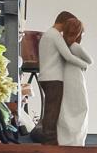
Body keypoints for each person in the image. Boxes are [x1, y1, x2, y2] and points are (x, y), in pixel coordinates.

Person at [36, 11, 93, 145]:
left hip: (47, 76)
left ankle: (52, 138)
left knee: (53, 109)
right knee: (53, 111)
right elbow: (67, 56)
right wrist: (84, 65)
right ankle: (50, 140)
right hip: (53, 77)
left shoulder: (48, 34)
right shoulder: (54, 35)